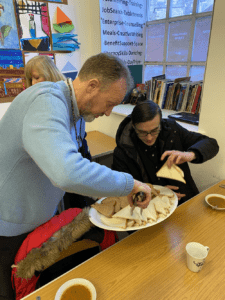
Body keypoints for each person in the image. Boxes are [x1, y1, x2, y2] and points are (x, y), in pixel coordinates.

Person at [0, 53, 151, 300]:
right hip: (9, 225)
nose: (108, 112)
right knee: (14, 292)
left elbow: (81, 163)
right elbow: (66, 172)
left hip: (38, 217)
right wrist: (128, 184)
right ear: (92, 86)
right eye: (110, 103)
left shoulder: (77, 114)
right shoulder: (46, 100)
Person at [112, 100, 219, 204]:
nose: (149, 138)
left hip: (184, 199)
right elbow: (124, 190)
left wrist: (190, 154)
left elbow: (211, 143)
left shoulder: (172, 130)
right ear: (134, 127)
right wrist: (155, 193)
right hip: (149, 206)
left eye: (154, 130)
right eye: (142, 132)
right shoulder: (122, 151)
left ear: (160, 124)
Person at [25, 55, 93, 209]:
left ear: (50, 73)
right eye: (31, 80)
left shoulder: (67, 95)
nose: (34, 83)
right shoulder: (41, 100)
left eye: (37, 77)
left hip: (75, 152)